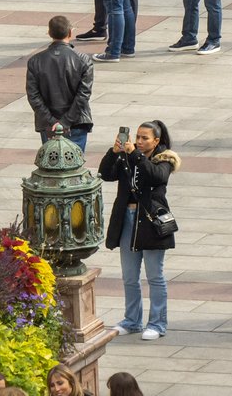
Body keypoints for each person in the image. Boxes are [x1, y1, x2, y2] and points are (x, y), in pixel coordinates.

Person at [99, 119, 177, 338]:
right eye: (138, 137)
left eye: (145, 138)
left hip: (151, 222)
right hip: (127, 218)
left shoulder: (165, 159)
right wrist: (113, 152)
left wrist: (135, 155)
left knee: (155, 275)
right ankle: (132, 320)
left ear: (156, 140)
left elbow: (156, 176)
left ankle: (157, 323)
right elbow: (106, 174)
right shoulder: (127, 156)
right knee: (130, 276)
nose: (140, 141)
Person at [26, 15, 93, 151]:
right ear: (70, 32)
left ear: (49, 33)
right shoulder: (83, 60)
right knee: (76, 165)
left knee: (51, 165)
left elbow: (33, 96)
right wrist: (65, 122)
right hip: (77, 123)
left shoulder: (35, 61)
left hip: (49, 125)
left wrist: (52, 122)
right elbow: (83, 95)